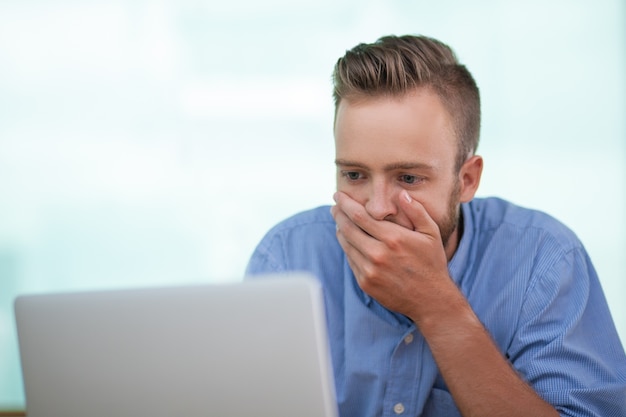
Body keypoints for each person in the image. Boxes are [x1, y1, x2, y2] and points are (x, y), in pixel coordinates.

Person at [245, 34, 626, 417]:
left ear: (467, 180)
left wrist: (435, 304)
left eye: (408, 178)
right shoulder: (286, 258)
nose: (377, 210)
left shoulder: (544, 262)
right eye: (355, 174)